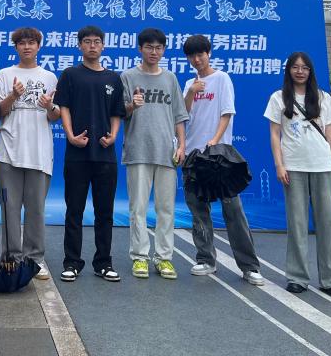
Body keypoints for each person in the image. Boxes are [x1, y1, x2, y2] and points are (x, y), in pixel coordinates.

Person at [182, 34, 264, 285]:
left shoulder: (222, 78)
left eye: (201, 54)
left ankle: (249, 266)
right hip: (193, 156)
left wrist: (215, 140)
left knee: (233, 211)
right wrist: (191, 93)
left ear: (209, 53)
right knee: (198, 210)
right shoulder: (189, 84)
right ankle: (206, 259)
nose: (197, 59)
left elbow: (227, 113)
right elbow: (182, 115)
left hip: (219, 157)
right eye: (192, 56)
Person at [265, 52, 331, 298]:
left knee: (325, 224)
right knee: (297, 224)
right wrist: (279, 165)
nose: (300, 71)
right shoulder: (278, 98)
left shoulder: (323, 98)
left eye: (304, 68)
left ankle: (329, 280)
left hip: (322, 166)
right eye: (295, 67)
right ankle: (297, 277)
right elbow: (274, 135)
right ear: (288, 70)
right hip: (293, 167)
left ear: (310, 71)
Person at [56, 25, 125, 283]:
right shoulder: (70, 75)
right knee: (74, 210)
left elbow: (117, 112)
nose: (92, 45)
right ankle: (72, 262)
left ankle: (103, 263)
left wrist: (114, 136)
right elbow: (64, 107)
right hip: (77, 154)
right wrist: (70, 135)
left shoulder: (113, 78)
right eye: (87, 41)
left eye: (97, 41)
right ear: (80, 45)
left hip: (105, 155)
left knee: (104, 212)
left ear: (103, 46)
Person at [0, 26, 60, 281]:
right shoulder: (5, 74)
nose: (27, 47)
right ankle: (11, 258)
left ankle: (35, 259)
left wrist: (49, 106)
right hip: (8, 152)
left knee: (36, 209)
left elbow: (55, 115)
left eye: (32, 42)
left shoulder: (49, 77)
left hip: (39, 152)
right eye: (22, 43)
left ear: (39, 46)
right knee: (9, 209)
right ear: (16, 47)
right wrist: (13, 95)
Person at [120, 28, 187, 281]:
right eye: (149, 47)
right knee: (137, 208)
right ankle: (140, 256)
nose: (154, 52)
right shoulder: (128, 77)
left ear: (164, 50)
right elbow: (119, 113)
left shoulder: (170, 78)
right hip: (138, 150)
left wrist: (181, 146)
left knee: (166, 208)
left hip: (166, 153)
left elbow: (179, 115)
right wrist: (132, 105)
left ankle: (164, 257)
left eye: (159, 48)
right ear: (140, 48)